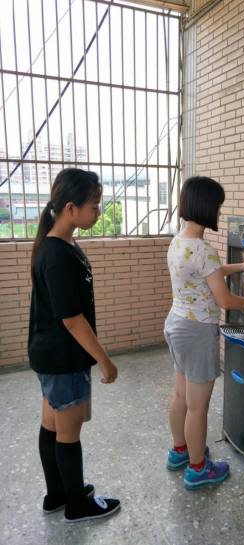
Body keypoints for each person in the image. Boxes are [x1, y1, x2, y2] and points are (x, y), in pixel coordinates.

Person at [28, 168, 120, 522]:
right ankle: (76, 505)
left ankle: (57, 494)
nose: (98, 212)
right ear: (70, 208)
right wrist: (105, 361)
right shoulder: (56, 254)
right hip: (62, 356)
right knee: (68, 432)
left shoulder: (63, 243)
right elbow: (72, 319)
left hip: (51, 354)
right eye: (94, 206)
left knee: (52, 423)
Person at [164, 176, 244, 490]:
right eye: (218, 205)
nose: (219, 212)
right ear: (208, 207)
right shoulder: (203, 249)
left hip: (177, 324)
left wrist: (242, 266)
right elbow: (225, 300)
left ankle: (180, 451)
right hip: (197, 331)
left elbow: (209, 273)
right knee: (198, 406)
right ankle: (197, 468)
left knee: (181, 395)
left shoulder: (180, 240)